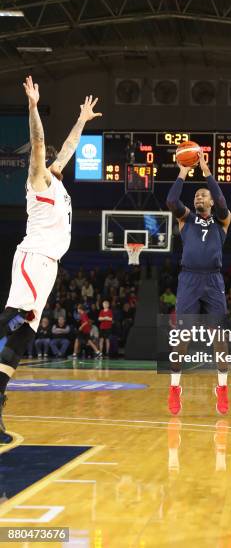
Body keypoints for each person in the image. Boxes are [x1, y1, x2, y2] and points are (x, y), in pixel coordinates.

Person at [0, 77, 101, 441]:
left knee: (23, 335)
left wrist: (82, 120)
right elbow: (40, 142)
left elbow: (68, 146)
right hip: (34, 258)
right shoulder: (37, 178)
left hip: (48, 266)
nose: (52, 159)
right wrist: (32, 107)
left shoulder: (56, 178)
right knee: (12, 319)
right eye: (47, 157)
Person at [166, 149, 231, 415]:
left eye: (203, 194)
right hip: (190, 278)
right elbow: (171, 200)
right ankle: (174, 388)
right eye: (196, 196)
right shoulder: (186, 219)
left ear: (211, 202)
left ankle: (222, 388)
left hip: (213, 280)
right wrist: (182, 171)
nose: (199, 197)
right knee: (183, 337)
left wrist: (206, 172)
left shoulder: (223, 221)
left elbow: (222, 200)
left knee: (220, 338)